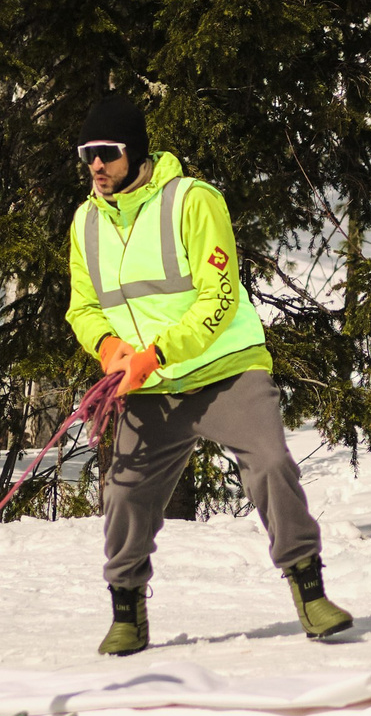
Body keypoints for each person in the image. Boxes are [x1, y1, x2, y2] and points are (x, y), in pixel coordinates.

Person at [65, 93, 351, 655]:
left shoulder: (192, 201)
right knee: (122, 495)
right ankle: (127, 611)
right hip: (150, 387)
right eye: (87, 154)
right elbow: (82, 306)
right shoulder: (85, 222)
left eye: (108, 152)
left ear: (136, 151)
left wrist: (158, 352)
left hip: (226, 371)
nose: (96, 165)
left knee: (270, 464)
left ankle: (310, 590)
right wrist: (109, 348)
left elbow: (218, 296)